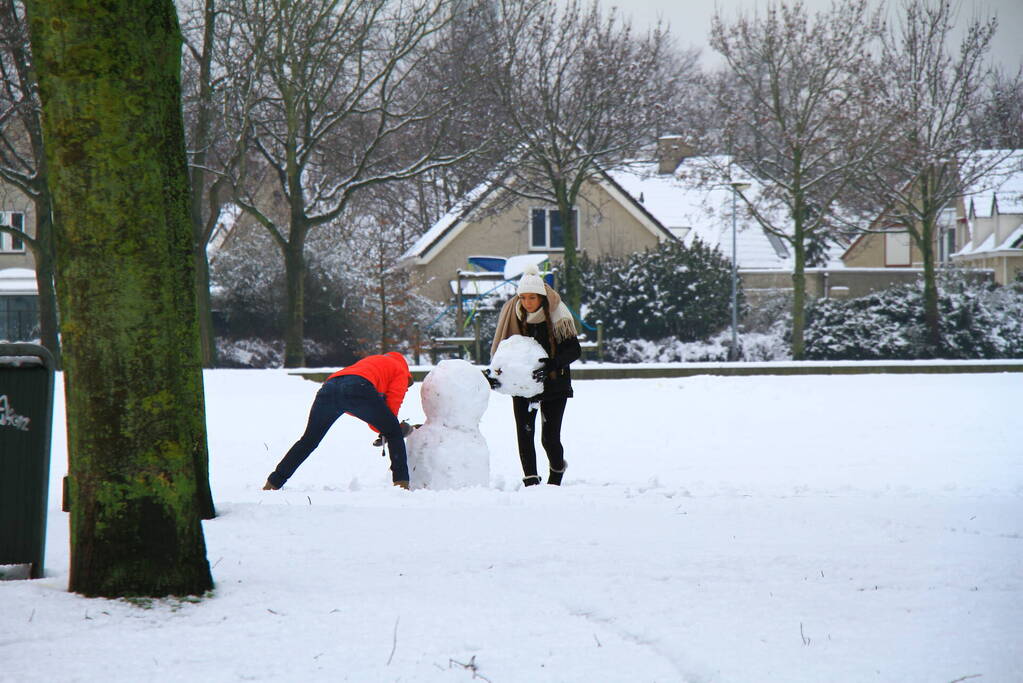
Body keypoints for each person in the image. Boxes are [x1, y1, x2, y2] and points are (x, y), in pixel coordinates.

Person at [263, 351, 415, 490]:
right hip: (358, 387)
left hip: (329, 388)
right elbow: (390, 414)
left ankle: (273, 483)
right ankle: (402, 485)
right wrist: (396, 428)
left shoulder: (371, 361)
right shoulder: (400, 371)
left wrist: (382, 425)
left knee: (308, 441)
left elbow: (368, 410)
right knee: (393, 432)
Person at [489, 266, 580, 486]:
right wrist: (498, 373)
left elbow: (574, 350)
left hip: (554, 384)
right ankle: (531, 481)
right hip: (523, 384)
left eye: (532, 298)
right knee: (524, 434)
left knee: (549, 438)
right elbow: (507, 350)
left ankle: (556, 475)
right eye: (523, 297)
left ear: (542, 297)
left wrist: (552, 363)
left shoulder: (558, 314)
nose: (527, 303)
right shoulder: (515, 314)